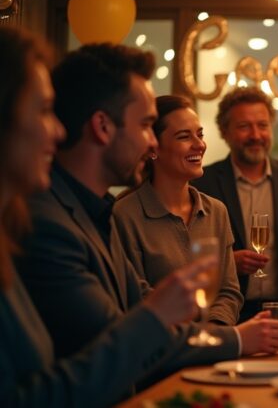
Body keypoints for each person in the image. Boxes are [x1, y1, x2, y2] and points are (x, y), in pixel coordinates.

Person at [14, 42, 278, 384]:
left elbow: (143, 313)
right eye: (145, 125)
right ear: (102, 127)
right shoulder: (53, 222)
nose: (152, 143)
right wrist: (231, 338)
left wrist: (211, 328)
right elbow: (122, 339)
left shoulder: (101, 214)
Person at [0, 27, 217, 407]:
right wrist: (158, 313)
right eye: (43, 111)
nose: (58, 130)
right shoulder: (44, 222)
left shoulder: (101, 212)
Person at [113, 95, 243, 326]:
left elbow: (228, 291)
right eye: (184, 136)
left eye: (200, 135)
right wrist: (193, 336)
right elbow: (137, 297)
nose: (200, 145)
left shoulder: (217, 211)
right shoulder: (124, 215)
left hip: (213, 349)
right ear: (153, 148)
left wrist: (213, 333)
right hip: (160, 353)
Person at [192, 87, 278, 330]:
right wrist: (227, 262)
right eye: (244, 126)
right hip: (228, 315)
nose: (256, 135)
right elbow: (189, 251)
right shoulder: (203, 183)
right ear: (225, 132)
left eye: (263, 125)